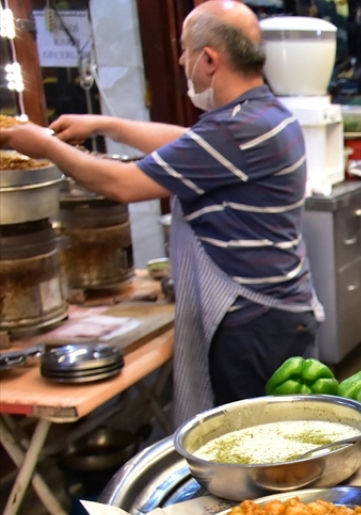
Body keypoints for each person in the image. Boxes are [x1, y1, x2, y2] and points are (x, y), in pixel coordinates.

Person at [0, 0, 318, 424]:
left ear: (208, 59)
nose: (181, 60)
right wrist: (103, 125)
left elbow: (122, 185)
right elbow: (186, 140)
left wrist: (46, 147)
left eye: (185, 50)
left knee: (261, 450)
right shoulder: (260, 113)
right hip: (273, 315)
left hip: (253, 325)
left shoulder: (236, 128)